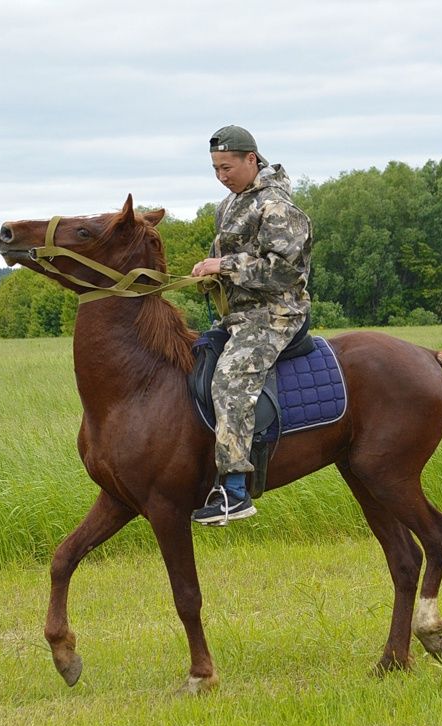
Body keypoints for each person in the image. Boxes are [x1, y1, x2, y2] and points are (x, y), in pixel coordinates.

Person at [190, 125, 312, 525]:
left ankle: (235, 490)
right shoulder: (228, 205)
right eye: (215, 169)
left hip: (276, 313)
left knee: (229, 378)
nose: (222, 176)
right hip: (237, 315)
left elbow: (284, 271)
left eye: (227, 167)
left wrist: (223, 266)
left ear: (251, 160)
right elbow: (225, 256)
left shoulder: (276, 205)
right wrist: (207, 272)